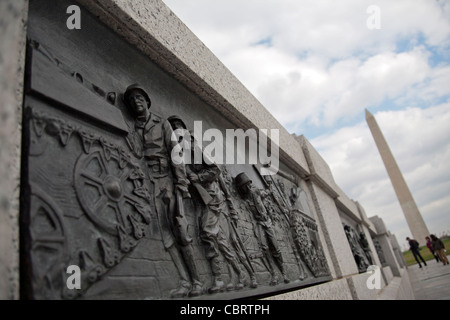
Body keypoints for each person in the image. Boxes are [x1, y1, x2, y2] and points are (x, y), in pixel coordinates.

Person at [124, 84, 203, 298]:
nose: (135, 101)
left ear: (147, 101)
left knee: (180, 229)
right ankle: (184, 282)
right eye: (131, 100)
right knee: (166, 235)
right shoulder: (136, 127)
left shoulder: (163, 123)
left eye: (139, 97)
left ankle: (197, 281)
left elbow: (176, 153)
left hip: (168, 180)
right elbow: (137, 153)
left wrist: (181, 183)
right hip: (152, 183)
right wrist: (134, 132)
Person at [236, 172, 290, 285]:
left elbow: (266, 193)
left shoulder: (256, 191)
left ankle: (284, 273)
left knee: (276, 248)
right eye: (244, 185)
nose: (247, 187)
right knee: (265, 249)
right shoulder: (244, 198)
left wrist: (270, 188)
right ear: (241, 187)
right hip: (258, 224)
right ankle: (274, 274)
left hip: (267, 222)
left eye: (248, 184)